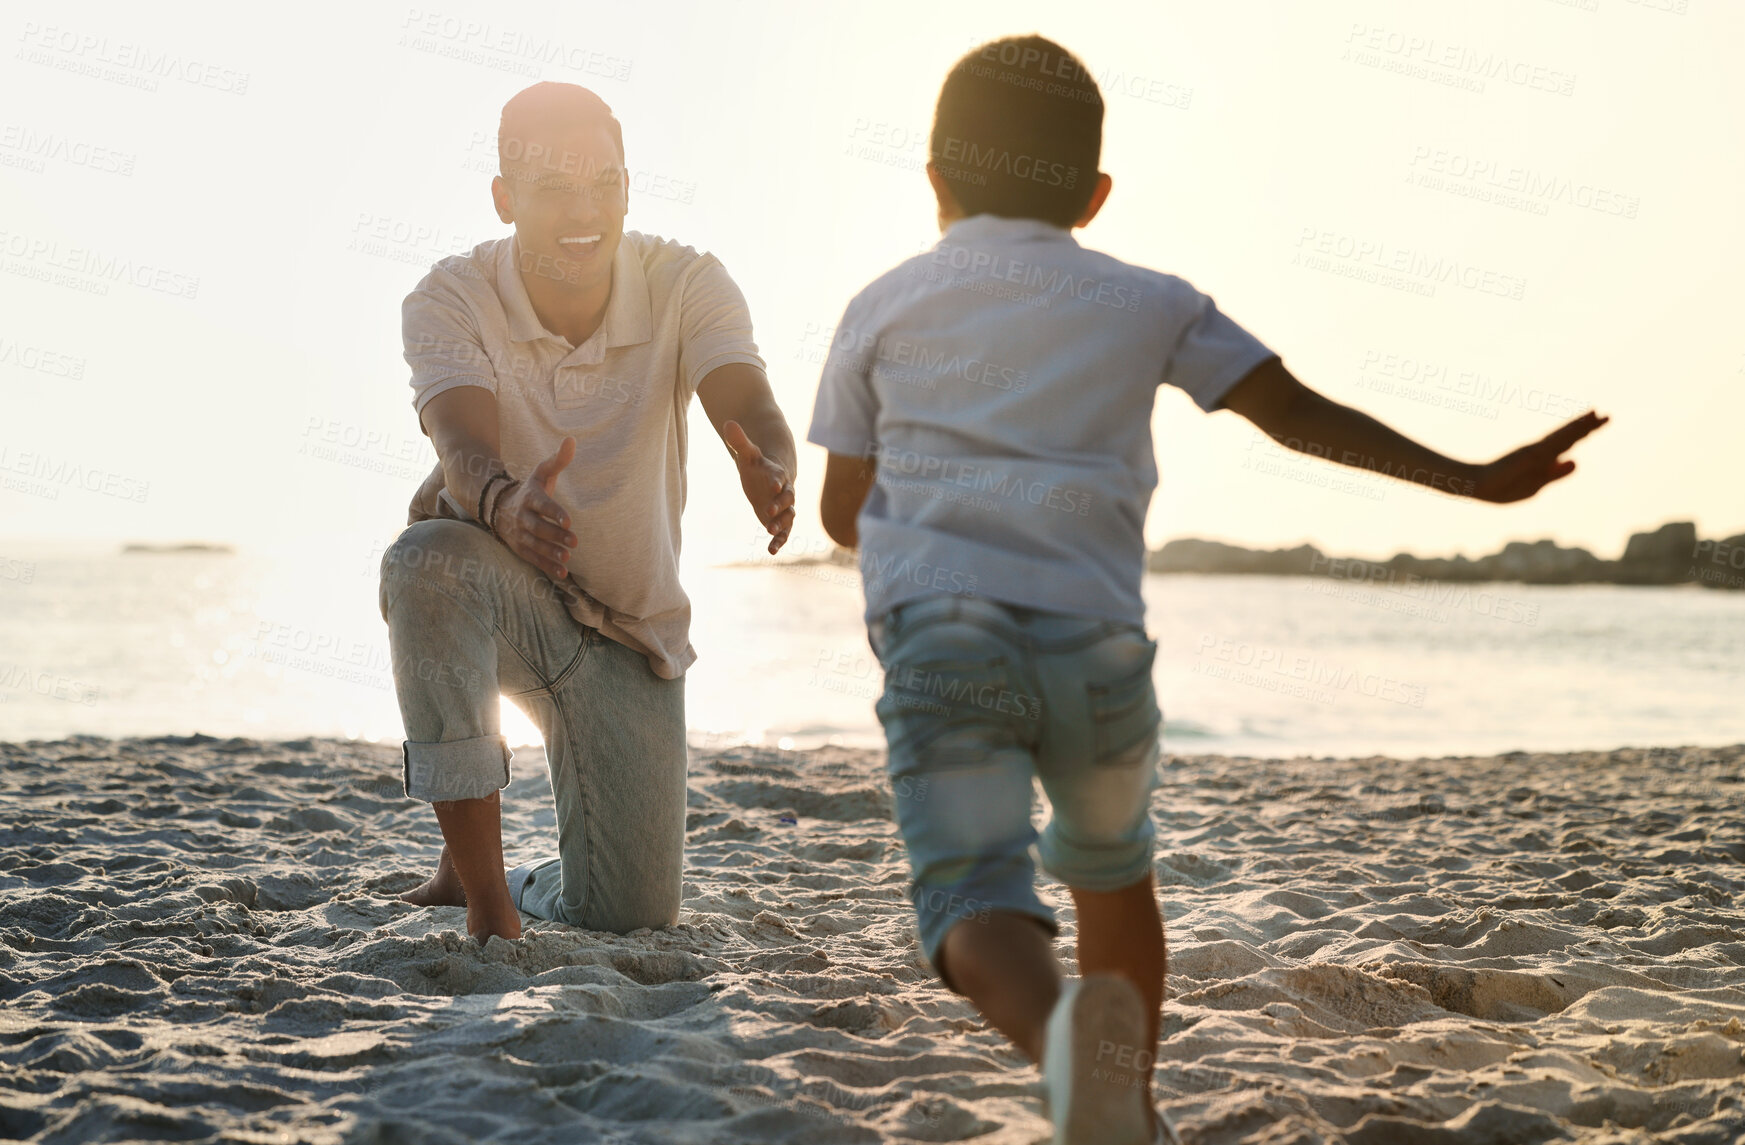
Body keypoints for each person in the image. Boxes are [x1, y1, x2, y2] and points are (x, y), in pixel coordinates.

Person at [807, 35, 1607, 1145]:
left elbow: (840, 514)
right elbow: (1295, 414)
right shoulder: (1151, 299)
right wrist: (1471, 478)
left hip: (942, 641)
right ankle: (1125, 1106)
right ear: (1092, 194)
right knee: (1113, 874)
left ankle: (1057, 1051)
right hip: (1094, 646)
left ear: (934, 178)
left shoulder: (880, 304)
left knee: (970, 899)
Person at [379, 81, 797, 942]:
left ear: (629, 187)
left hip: (625, 635)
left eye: (605, 182)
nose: (587, 208)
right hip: (494, 595)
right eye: (556, 186)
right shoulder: (450, 296)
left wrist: (769, 464)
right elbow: (460, 437)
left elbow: (744, 395)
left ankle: (518, 879)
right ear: (504, 198)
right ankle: (484, 899)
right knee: (425, 558)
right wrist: (501, 500)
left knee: (629, 913)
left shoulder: (685, 281)